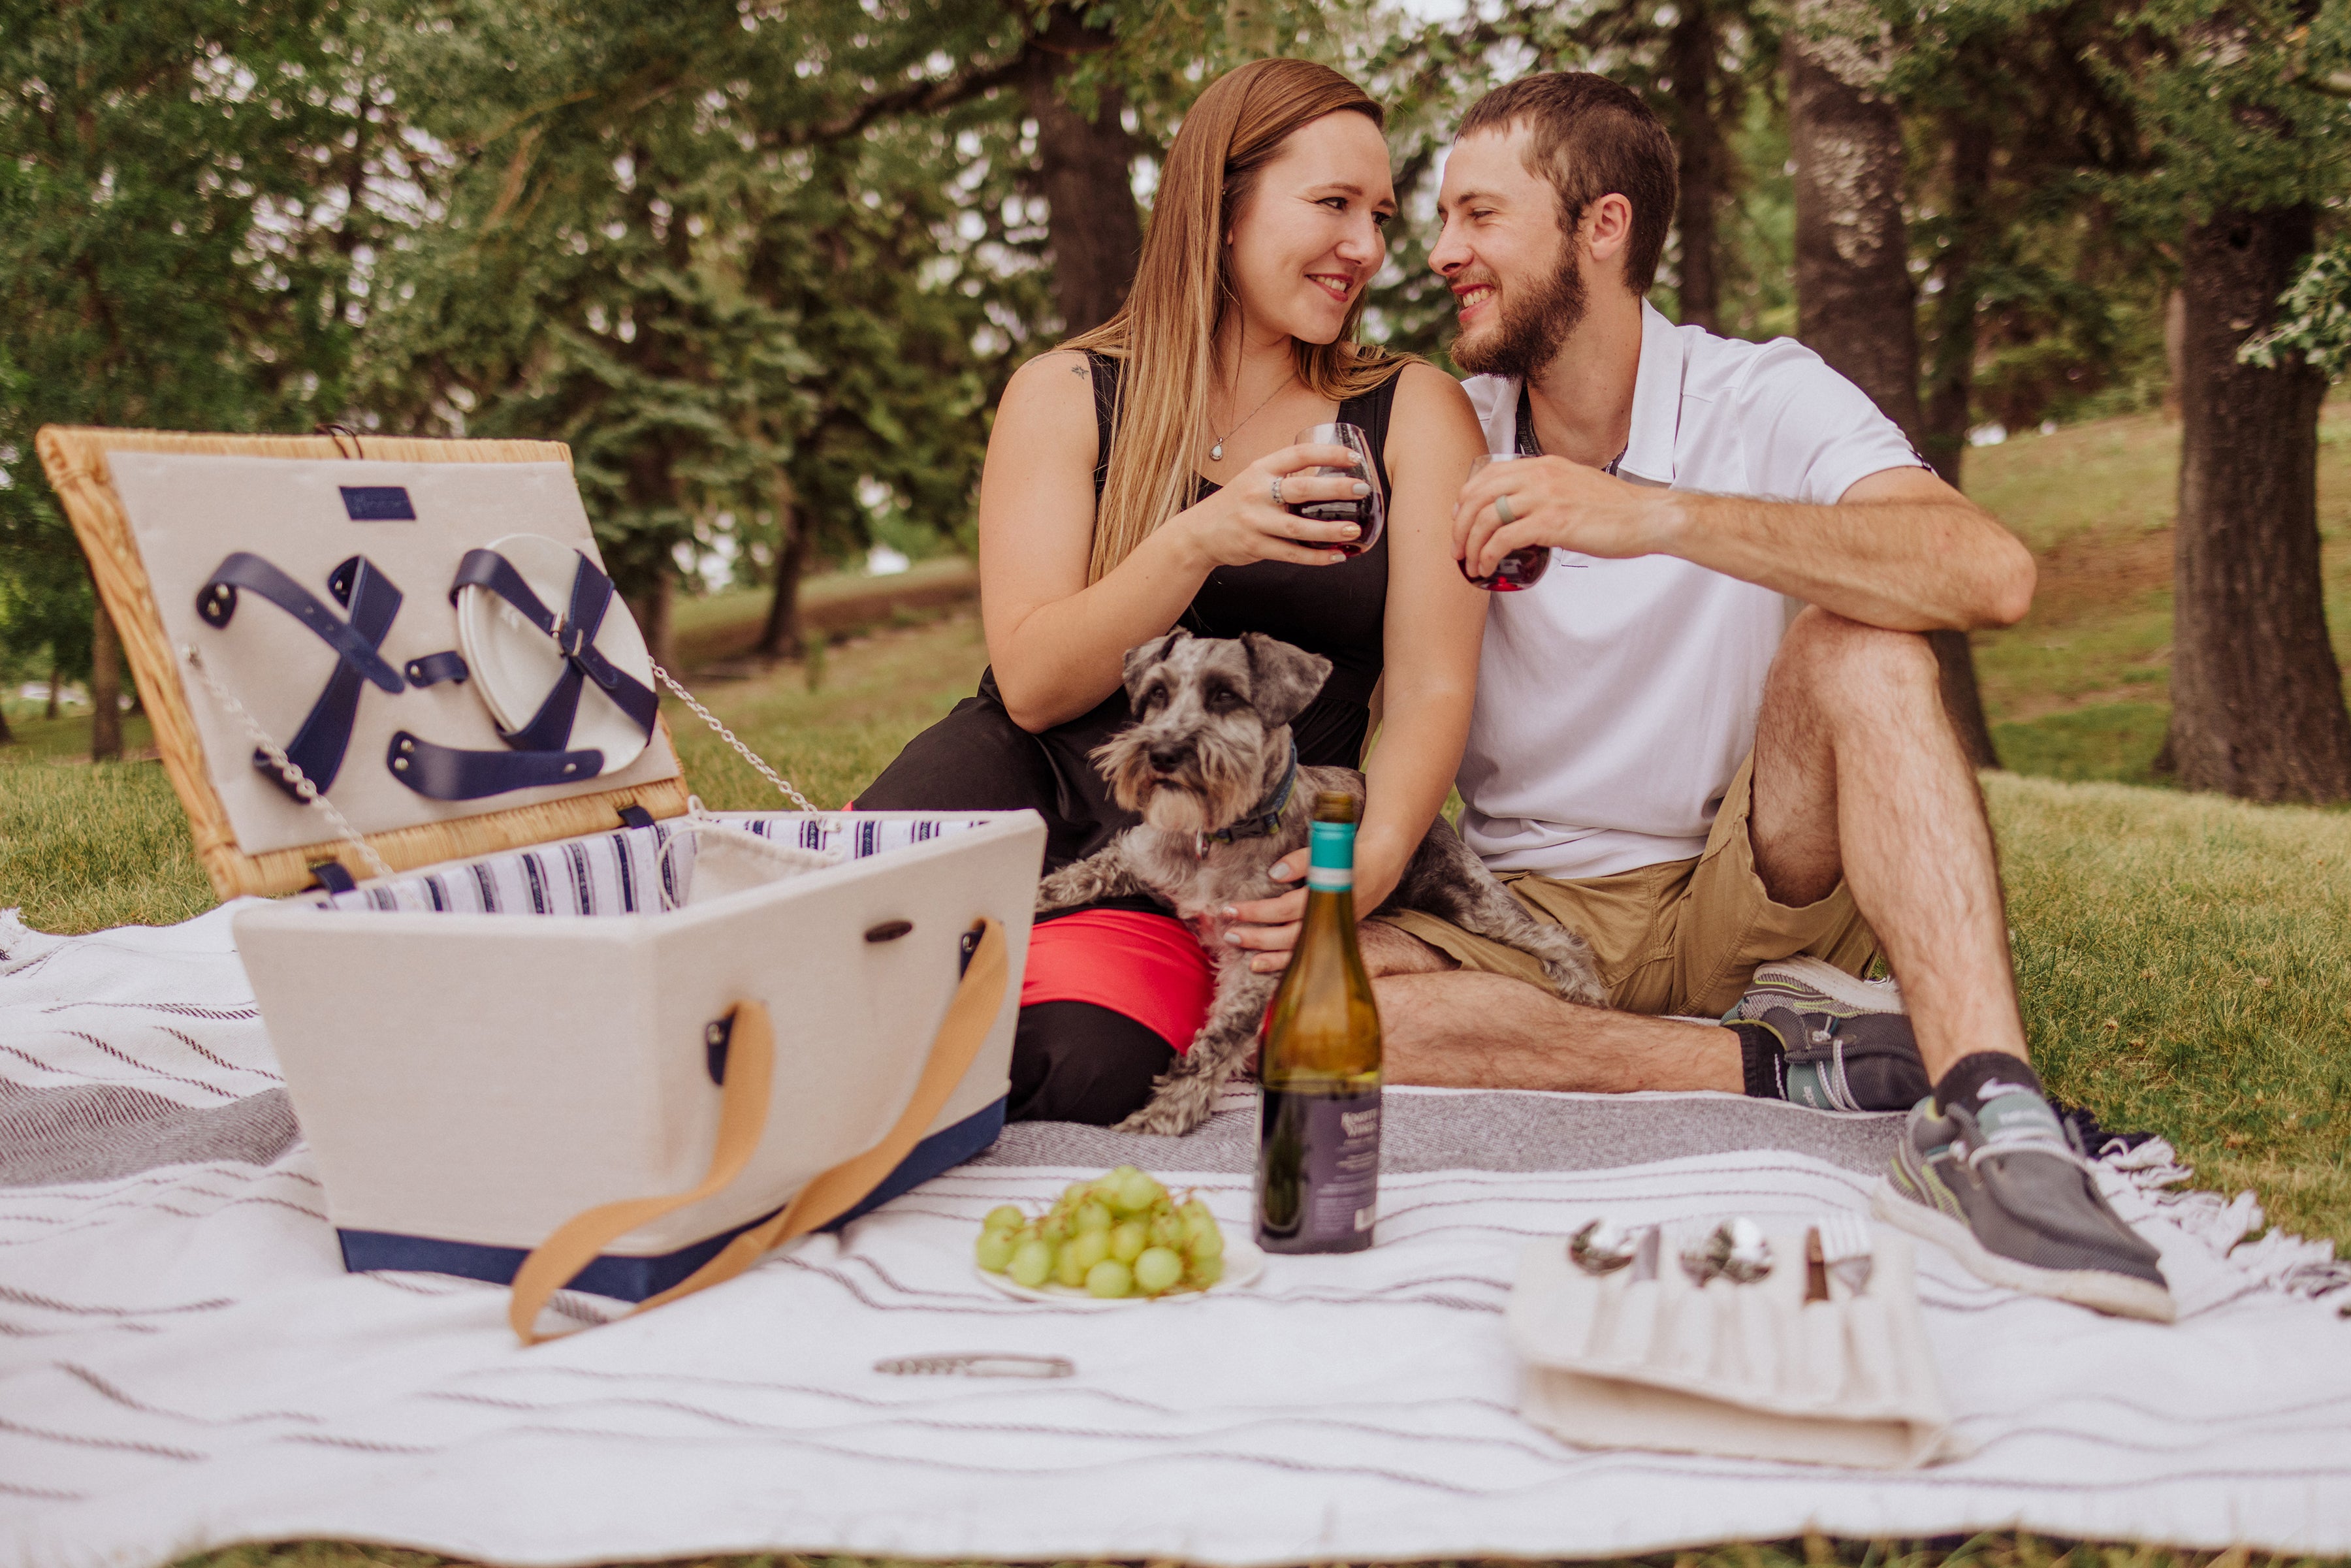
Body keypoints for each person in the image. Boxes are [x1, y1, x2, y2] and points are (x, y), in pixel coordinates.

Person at [1348, 72, 2173, 1321]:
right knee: (1297, 1013)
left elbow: (1988, 574)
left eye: (1478, 216)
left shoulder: (1761, 393)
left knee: (1870, 647)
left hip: (1750, 874)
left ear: (1601, 226)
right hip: (1529, 911)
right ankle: (1780, 1067)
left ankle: (1989, 1113)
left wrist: (1660, 516)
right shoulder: (1442, 428)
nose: (1442, 252)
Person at [855, 59, 1489, 1125]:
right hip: (1017, 780)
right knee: (806, 967)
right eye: (1332, 205)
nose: (1369, 249)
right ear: (1223, 204)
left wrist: (1355, 874)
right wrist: (1201, 536)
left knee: (1077, 1066)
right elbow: (1033, 687)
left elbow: (1431, 688)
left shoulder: (1413, 412)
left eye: (1379, 214)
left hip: (1213, 842)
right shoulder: (1066, 394)